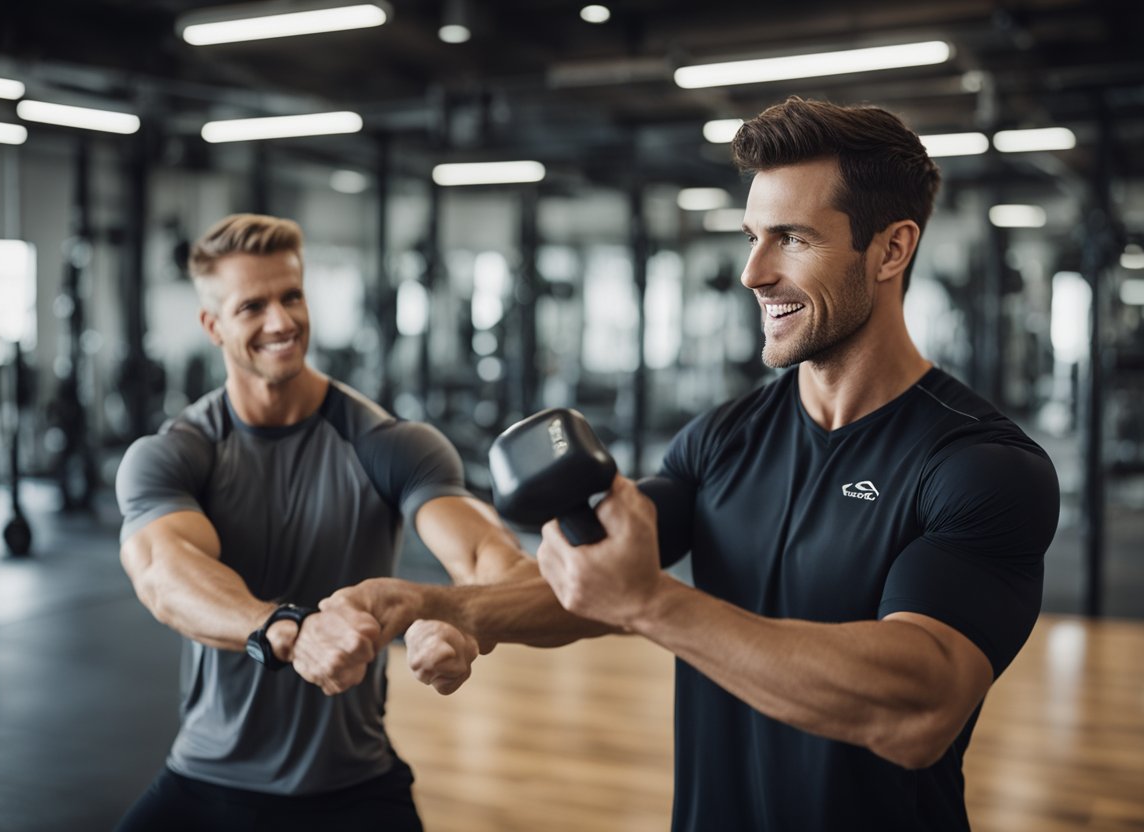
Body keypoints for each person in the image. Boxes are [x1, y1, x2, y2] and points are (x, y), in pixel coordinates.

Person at [316, 97, 1061, 831]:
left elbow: (921, 705)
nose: (752, 273)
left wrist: (655, 604)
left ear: (892, 249)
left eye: (792, 239)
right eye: (751, 237)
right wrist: (441, 608)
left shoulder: (981, 466)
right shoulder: (722, 439)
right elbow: (596, 576)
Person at [112, 213, 588, 831]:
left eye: (291, 296)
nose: (281, 321)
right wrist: (286, 629)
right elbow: (163, 572)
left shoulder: (389, 444)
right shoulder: (177, 453)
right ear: (212, 325)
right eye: (252, 306)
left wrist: (461, 618)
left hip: (353, 786)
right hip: (207, 778)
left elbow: (488, 562)